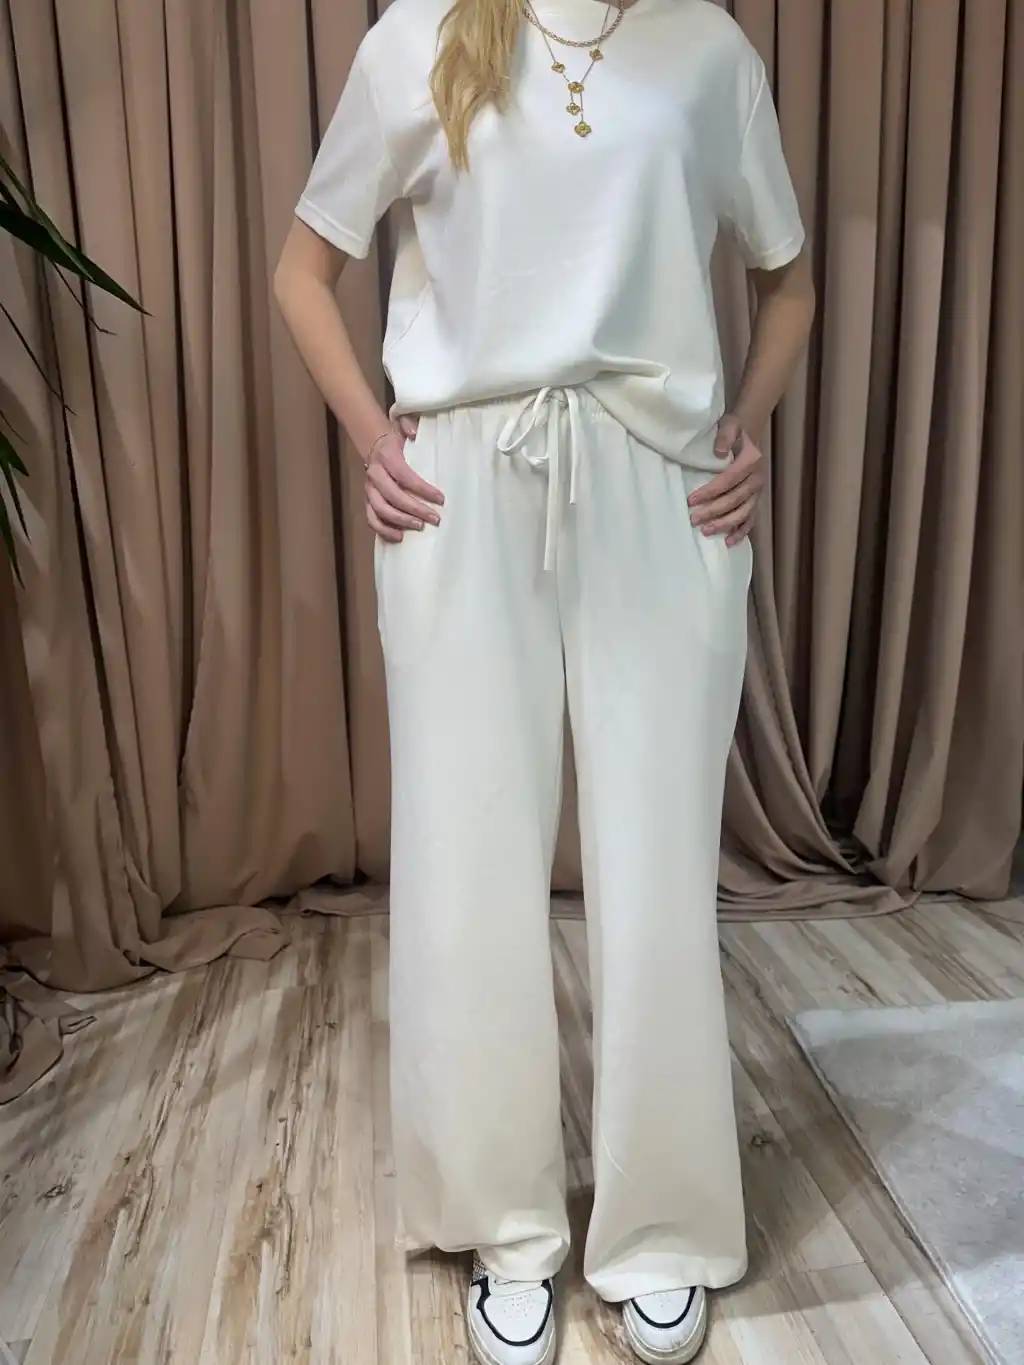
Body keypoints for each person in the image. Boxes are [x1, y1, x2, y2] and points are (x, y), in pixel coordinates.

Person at [275, 0, 815, 1359]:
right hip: (465, 486)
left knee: (657, 869)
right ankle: (505, 1226)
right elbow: (302, 270)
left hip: (660, 485)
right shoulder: (416, 38)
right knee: (466, 864)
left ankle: (664, 1225)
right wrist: (375, 440)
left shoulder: (707, 49)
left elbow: (790, 280)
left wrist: (744, 424)